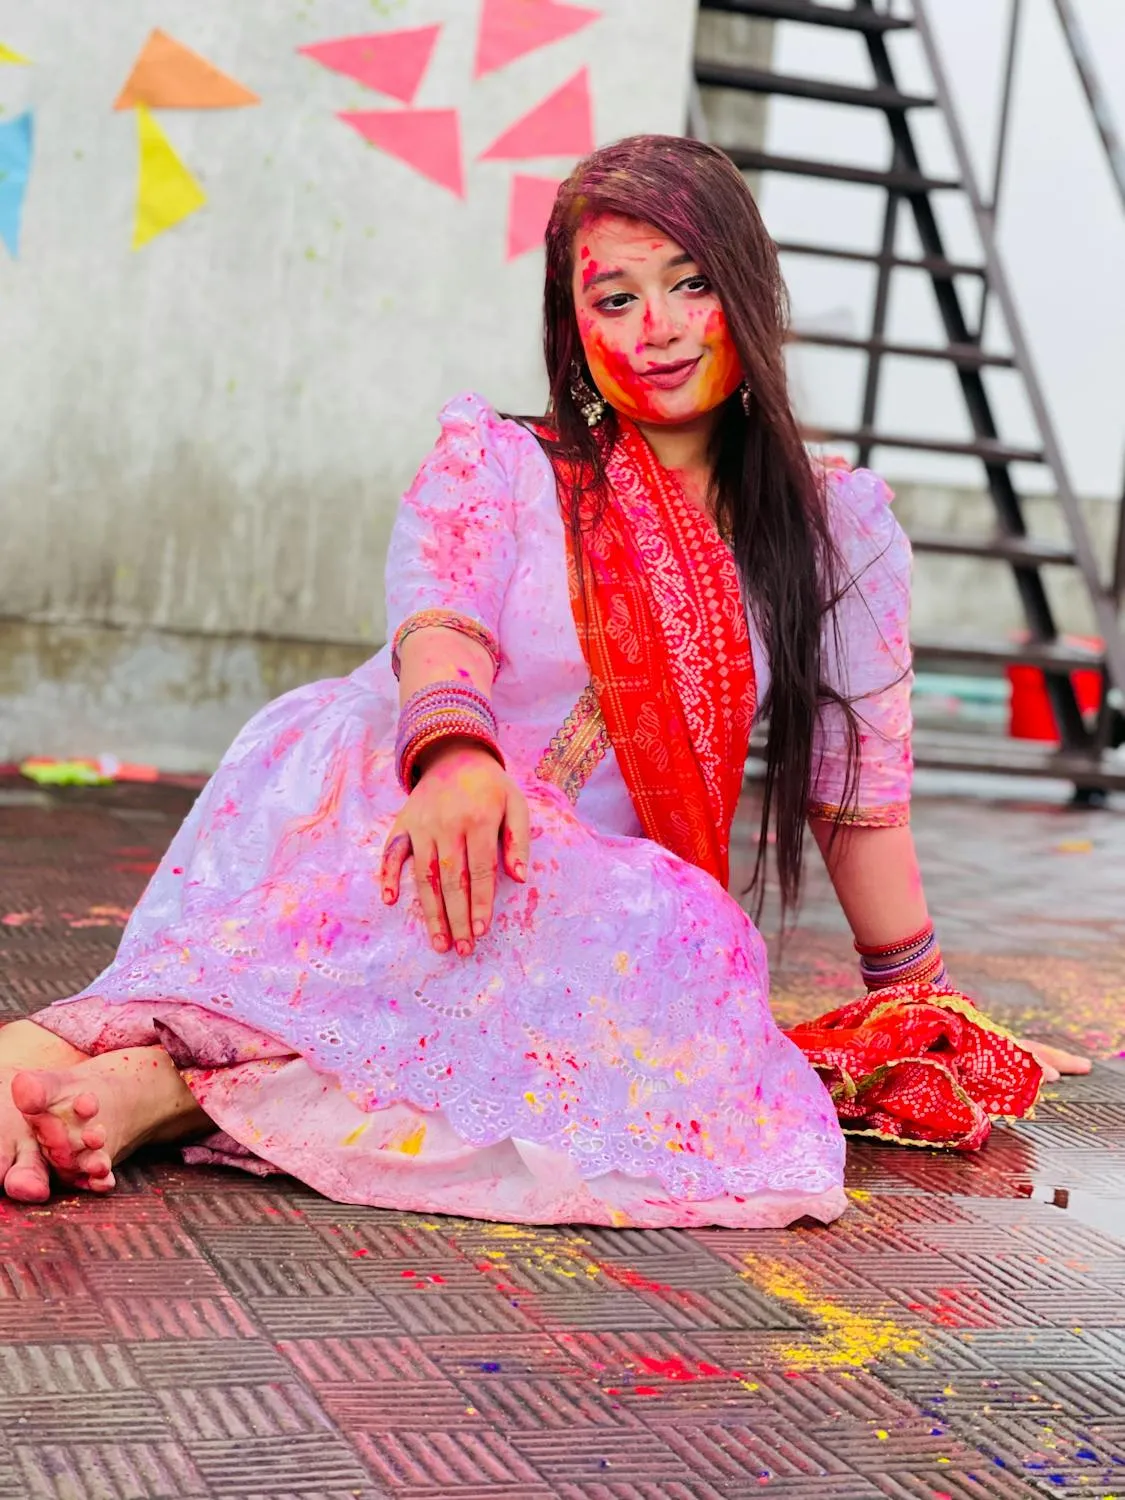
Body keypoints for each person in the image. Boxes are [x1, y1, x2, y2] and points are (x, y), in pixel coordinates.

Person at [0, 136, 1080, 1222]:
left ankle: (155, 1091)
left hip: (580, 902)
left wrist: (923, 1007)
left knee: (681, 952)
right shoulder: (505, 465)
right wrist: (460, 763)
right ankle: (32, 1059)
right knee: (409, 910)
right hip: (412, 797)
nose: (653, 328)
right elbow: (443, 622)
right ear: (575, 326)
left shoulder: (833, 531)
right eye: (615, 297)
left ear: (749, 292)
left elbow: (856, 799)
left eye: (689, 285)